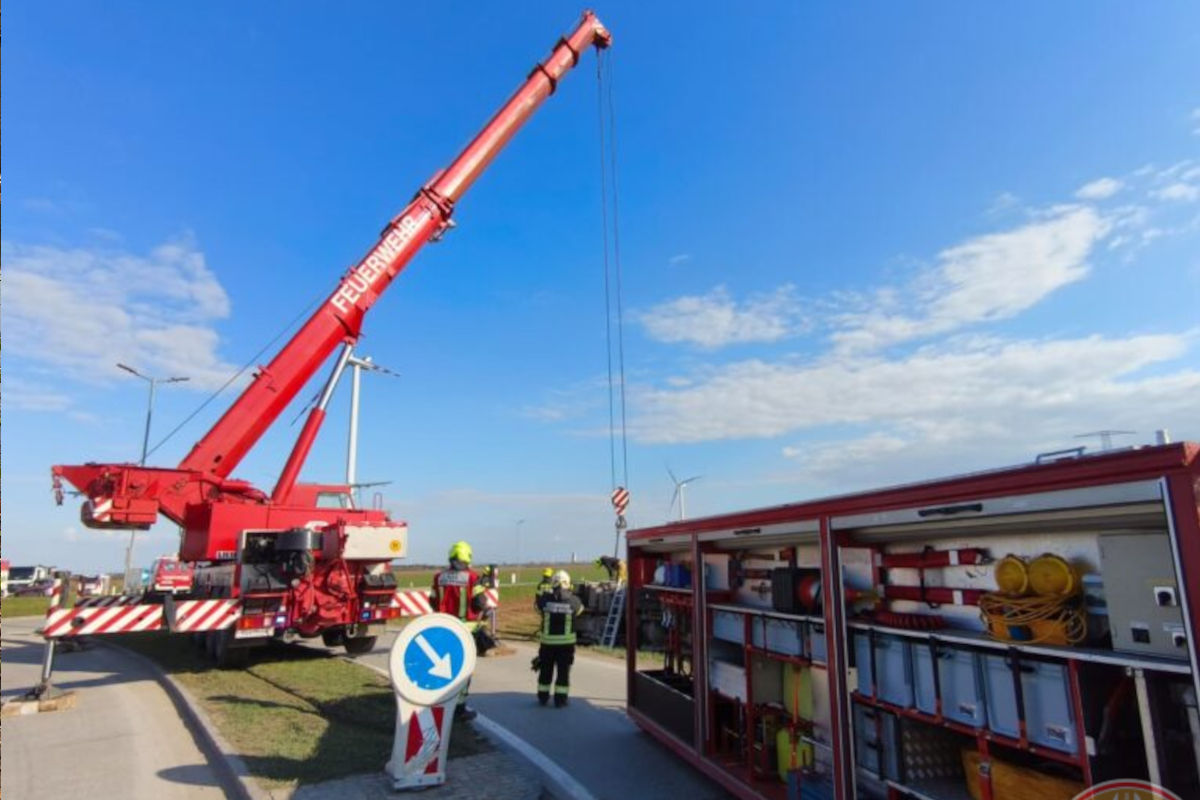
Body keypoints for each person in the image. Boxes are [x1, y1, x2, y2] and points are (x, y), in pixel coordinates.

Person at [431, 541, 488, 720]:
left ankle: (439, 704)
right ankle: (459, 709)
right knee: (463, 669)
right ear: (467, 557)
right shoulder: (472, 577)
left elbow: (432, 600)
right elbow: (480, 602)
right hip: (465, 630)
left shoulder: (439, 577)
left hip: (443, 628)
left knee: (442, 667)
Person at [535, 569, 583, 707]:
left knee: (545, 670)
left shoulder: (544, 599)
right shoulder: (574, 600)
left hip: (547, 643)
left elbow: (537, 609)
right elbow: (580, 611)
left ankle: (543, 697)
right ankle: (560, 700)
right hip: (566, 645)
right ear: (568, 583)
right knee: (563, 673)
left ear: (553, 583)